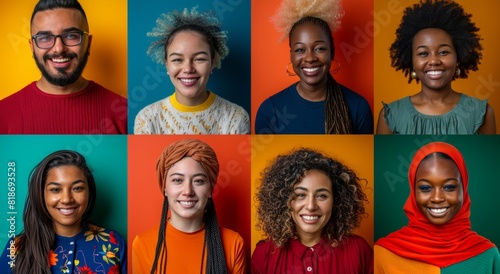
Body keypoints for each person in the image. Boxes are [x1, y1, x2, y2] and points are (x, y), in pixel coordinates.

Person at [0, 0, 127, 134]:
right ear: (32, 47)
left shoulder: (126, 112)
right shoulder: (3, 113)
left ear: (88, 43)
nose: (59, 49)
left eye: (71, 36)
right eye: (45, 38)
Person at [375, 142, 500, 273]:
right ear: (413, 190)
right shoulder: (383, 254)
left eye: (449, 187)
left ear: (464, 188)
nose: (437, 198)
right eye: (425, 188)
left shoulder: (488, 256)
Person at [376, 0, 496, 134]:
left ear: (458, 58)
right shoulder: (391, 115)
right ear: (412, 62)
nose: (433, 61)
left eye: (443, 52)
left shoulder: (482, 113)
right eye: (423, 53)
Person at [254, 0, 373, 134]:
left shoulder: (358, 107)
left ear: (332, 52)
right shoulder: (270, 110)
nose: (310, 58)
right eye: (300, 50)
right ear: (291, 56)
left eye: (319, 48)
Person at [0, 150, 127, 273]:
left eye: (77, 188)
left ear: (89, 191)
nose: (67, 199)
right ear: (41, 194)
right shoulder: (16, 248)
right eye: (55, 189)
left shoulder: (113, 242)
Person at [132, 139, 246, 273]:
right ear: (165, 188)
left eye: (198, 181)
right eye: (177, 180)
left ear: (210, 189)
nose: (188, 191)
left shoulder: (234, 243)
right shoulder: (142, 244)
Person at [252, 148, 373, 273]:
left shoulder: (359, 250)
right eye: (300, 195)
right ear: (283, 200)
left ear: (336, 201)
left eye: (321, 196)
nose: (311, 206)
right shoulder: (264, 253)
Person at [134, 7, 250, 134]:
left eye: (199, 59)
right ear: (166, 64)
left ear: (212, 63)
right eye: (177, 60)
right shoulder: (147, 118)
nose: (188, 69)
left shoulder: (236, 117)